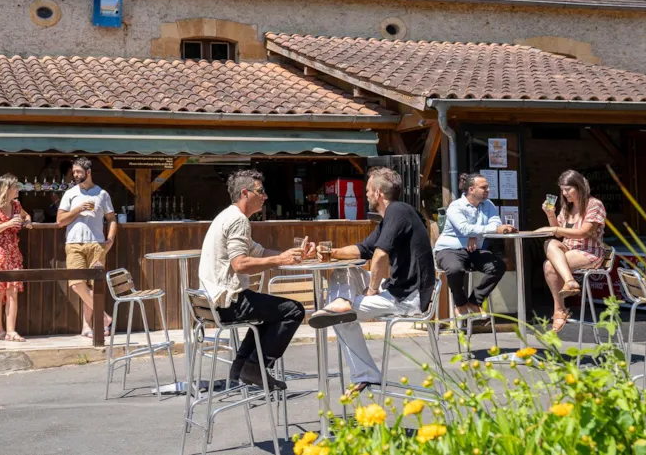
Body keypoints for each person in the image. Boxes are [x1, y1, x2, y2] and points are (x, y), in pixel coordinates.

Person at [306, 167, 436, 393]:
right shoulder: (395, 215)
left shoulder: (397, 211)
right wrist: (329, 252)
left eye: (367, 190)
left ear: (377, 193)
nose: (365, 194)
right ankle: (342, 303)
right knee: (343, 271)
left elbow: (379, 255)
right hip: (398, 290)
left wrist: (372, 289)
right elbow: (363, 249)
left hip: (407, 298)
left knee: (336, 318)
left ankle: (366, 374)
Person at [198, 169, 312, 390]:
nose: (265, 196)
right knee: (294, 310)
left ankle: (241, 368)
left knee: (267, 315)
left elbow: (258, 253)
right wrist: (281, 259)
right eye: (260, 191)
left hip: (214, 302)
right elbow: (240, 264)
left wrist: (291, 256)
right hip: (228, 302)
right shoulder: (238, 220)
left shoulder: (227, 216)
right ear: (244, 193)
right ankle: (255, 368)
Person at [433, 173, 514, 317]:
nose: (487, 190)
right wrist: (474, 233)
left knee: (498, 266)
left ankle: (474, 301)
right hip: (448, 249)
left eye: (487, 187)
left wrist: (473, 234)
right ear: (471, 189)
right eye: (483, 187)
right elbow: (464, 228)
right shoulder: (456, 206)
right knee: (454, 269)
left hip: (473, 250)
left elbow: (495, 222)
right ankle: (460, 303)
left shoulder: (488, 204)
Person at [537, 170, 607, 332]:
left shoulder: (594, 204)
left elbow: (584, 232)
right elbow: (560, 231)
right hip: (569, 248)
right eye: (562, 189)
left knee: (549, 265)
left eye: (568, 189)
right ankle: (570, 281)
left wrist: (554, 228)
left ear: (580, 187)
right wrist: (550, 215)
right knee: (550, 242)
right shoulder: (567, 207)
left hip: (589, 251)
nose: (564, 193)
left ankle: (559, 310)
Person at [57, 157, 117, 338]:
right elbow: (60, 221)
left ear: (88, 172)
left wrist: (111, 239)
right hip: (74, 243)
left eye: (79, 172)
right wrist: (78, 209)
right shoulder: (70, 194)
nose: (75, 175)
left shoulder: (102, 194)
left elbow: (111, 219)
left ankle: (87, 326)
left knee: (93, 286)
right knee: (77, 285)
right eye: (74, 172)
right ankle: (106, 318)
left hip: (97, 243)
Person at [0, 173, 32, 342]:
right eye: (16, 186)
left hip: (13, 251)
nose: (18, 189)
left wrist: (27, 222)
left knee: (13, 291)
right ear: (7, 189)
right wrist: (7, 224)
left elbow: (27, 216)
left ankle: (11, 331)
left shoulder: (16, 205)